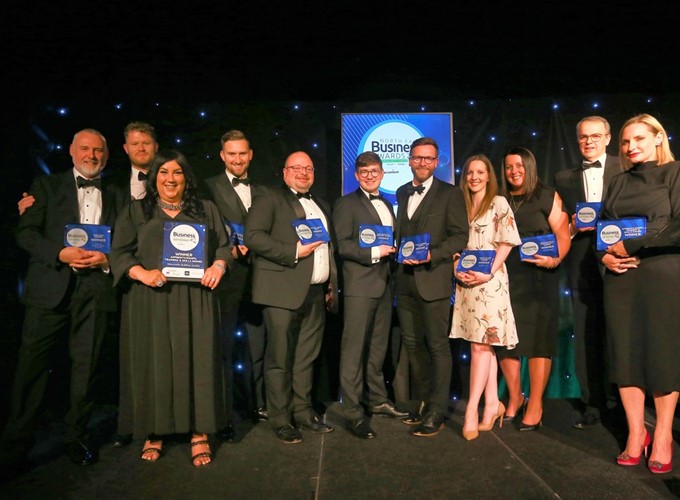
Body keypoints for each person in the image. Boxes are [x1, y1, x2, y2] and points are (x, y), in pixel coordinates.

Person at [1, 129, 124, 468]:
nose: (92, 156)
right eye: (85, 149)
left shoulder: (117, 194)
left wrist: (109, 258)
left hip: (95, 290)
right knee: (30, 371)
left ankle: (77, 437)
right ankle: (14, 446)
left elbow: (129, 241)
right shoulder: (46, 186)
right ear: (71, 151)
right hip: (50, 288)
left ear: (107, 155)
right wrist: (60, 253)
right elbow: (25, 234)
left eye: (98, 150)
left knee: (87, 369)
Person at [109, 149, 232, 467]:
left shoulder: (205, 208)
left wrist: (219, 265)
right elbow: (119, 253)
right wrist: (142, 274)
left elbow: (225, 245)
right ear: (154, 178)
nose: (170, 178)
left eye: (177, 172)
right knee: (155, 362)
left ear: (186, 177)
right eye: (163, 172)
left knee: (199, 362)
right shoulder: (137, 211)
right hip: (152, 299)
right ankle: (154, 431)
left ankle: (200, 432)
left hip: (197, 298)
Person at [598, 113, 680, 474]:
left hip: (663, 275)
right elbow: (603, 230)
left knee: (662, 353)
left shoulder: (675, 173)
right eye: (626, 142)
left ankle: (662, 435)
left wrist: (635, 243)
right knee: (625, 352)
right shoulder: (616, 182)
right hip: (621, 278)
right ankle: (636, 433)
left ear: (659, 139)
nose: (631, 147)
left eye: (640, 139)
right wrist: (605, 258)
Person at [244, 151, 338, 444]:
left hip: (315, 292)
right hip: (281, 291)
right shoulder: (268, 197)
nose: (303, 173)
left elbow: (327, 251)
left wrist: (330, 283)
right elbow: (253, 236)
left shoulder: (321, 203)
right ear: (284, 172)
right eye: (297, 168)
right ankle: (281, 418)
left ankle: (303, 412)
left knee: (306, 358)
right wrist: (293, 251)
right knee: (279, 359)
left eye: (308, 168)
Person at [394, 137, 468, 437]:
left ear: (436, 162)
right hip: (404, 281)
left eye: (428, 158)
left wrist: (432, 254)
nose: (422, 163)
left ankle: (437, 410)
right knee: (413, 344)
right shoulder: (401, 192)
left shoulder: (450, 194)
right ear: (410, 160)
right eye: (417, 158)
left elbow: (459, 236)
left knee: (437, 345)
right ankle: (424, 401)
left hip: (433, 280)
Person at [332, 151, 407, 440]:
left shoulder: (388, 204)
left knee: (378, 348)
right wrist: (376, 252)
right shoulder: (346, 204)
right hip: (359, 287)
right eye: (364, 172)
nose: (370, 176)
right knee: (353, 351)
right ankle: (352, 411)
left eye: (375, 171)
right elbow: (342, 246)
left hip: (384, 286)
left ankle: (377, 400)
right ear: (356, 175)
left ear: (383, 172)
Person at [554, 116, 622, 429]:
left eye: (596, 136)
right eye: (583, 137)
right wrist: (570, 226)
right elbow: (560, 225)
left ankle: (626, 400)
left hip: (621, 259)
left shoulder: (626, 168)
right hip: (581, 264)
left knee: (623, 333)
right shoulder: (564, 177)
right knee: (586, 335)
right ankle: (593, 402)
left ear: (608, 138)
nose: (589, 142)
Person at [498, 147, 571, 431]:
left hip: (541, 275)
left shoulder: (546, 194)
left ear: (530, 166)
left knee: (539, 340)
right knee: (506, 341)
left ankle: (536, 403)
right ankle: (515, 397)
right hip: (505, 276)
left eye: (519, 165)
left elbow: (563, 235)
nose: (514, 171)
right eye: (508, 166)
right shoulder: (499, 199)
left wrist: (555, 260)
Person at [450, 154, 521, 440]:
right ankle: (492, 404)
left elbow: (508, 241)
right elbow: (456, 240)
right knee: (484, 346)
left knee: (481, 347)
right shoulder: (461, 203)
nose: (475, 177)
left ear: (489, 175)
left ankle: (471, 410)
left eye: (480, 172)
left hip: (490, 283)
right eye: (470, 172)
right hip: (467, 283)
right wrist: (456, 264)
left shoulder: (498, 202)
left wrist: (488, 272)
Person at [204, 130, 267, 440]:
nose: (238, 159)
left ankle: (258, 407)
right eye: (232, 154)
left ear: (250, 154)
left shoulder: (264, 190)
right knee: (224, 351)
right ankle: (223, 415)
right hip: (226, 279)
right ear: (222, 156)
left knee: (258, 349)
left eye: (242, 153)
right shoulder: (208, 188)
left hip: (260, 280)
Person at [17, 121, 158, 214]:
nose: (141, 148)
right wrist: (32, 207)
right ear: (126, 148)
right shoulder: (113, 183)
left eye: (146, 143)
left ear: (156, 147)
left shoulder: (175, 180)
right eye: (134, 144)